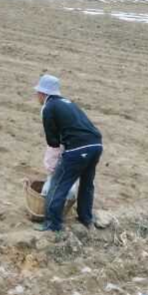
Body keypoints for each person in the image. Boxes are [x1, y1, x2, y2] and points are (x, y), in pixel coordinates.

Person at [33, 74, 103, 232]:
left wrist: (54, 161)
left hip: (78, 149)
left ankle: (52, 225)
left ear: (43, 94)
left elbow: (53, 142)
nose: (36, 96)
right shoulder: (68, 103)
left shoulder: (48, 107)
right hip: (96, 144)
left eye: (38, 92)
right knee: (87, 183)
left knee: (58, 185)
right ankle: (86, 218)